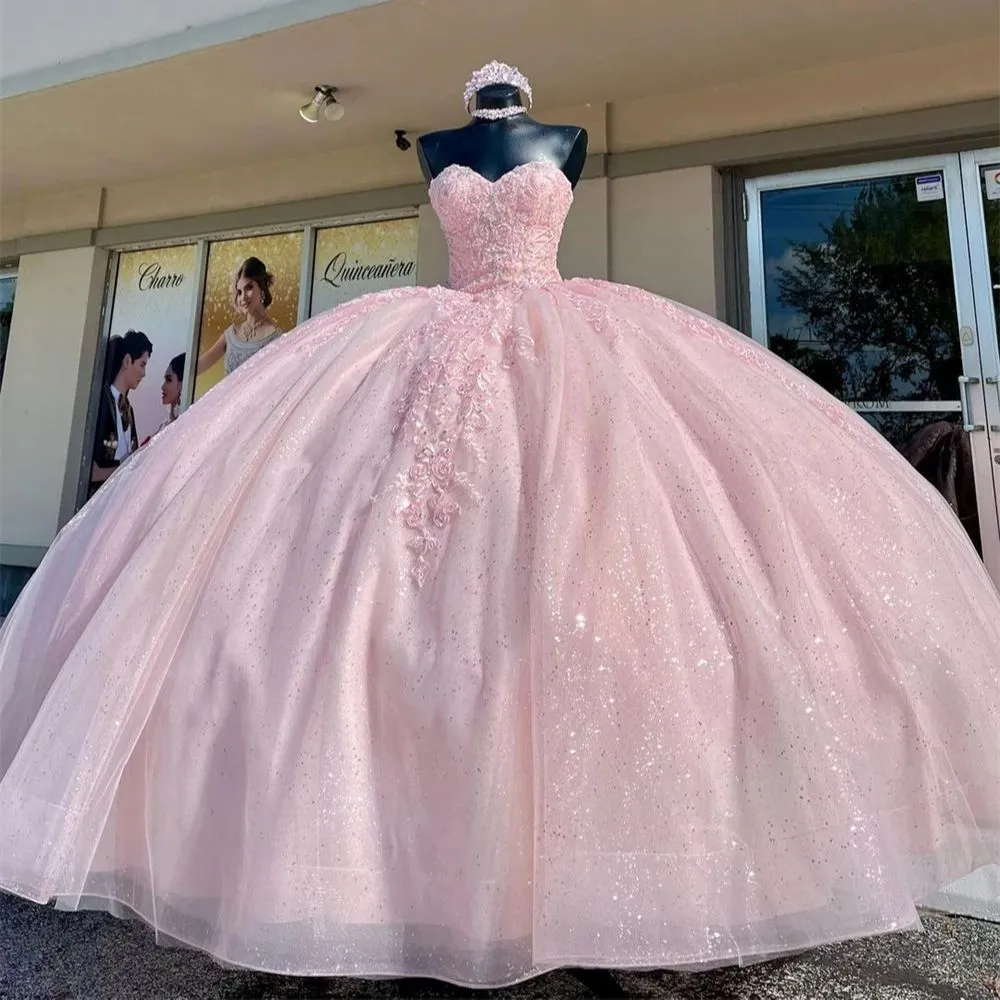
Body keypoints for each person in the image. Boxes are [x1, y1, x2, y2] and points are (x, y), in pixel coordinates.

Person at [0, 62, 997, 989]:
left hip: (562, 343)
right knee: (385, 589)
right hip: (432, 341)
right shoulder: (436, 147)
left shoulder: (562, 139)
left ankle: (591, 879)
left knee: (584, 569)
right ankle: (381, 871)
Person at [88, 328, 152, 497]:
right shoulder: (102, 402)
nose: (144, 373)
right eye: (142, 364)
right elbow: (91, 471)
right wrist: (126, 467)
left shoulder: (128, 410)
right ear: (127, 361)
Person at [196, 256, 282, 379]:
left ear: (262, 288)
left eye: (249, 288)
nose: (243, 298)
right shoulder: (231, 334)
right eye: (240, 292)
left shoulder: (275, 337)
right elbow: (199, 366)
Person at [140, 353, 186, 447]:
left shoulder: (183, 428)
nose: (162, 386)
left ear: (182, 384)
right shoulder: (164, 427)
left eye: (169, 380)